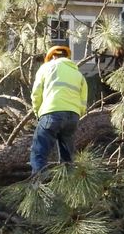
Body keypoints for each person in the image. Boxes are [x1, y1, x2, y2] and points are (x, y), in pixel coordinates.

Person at [29, 46, 88, 174]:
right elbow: (83, 101)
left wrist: (38, 112)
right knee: (67, 157)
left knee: (39, 152)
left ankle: (37, 187)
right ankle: (68, 184)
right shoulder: (79, 75)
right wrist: (76, 114)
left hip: (51, 113)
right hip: (73, 117)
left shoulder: (47, 67)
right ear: (67, 57)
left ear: (53, 57)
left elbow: (36, 94)